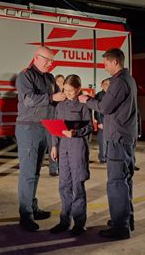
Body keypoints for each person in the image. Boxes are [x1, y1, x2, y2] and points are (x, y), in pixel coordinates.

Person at [79, 48, 138, 240]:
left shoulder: (118, 82)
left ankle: (120, 228)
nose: (104, 67)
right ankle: (126, 220)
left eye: (105, 63)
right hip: (126, 137)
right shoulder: (129, 79)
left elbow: (104, 107)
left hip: (118, 138)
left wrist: (88, 100)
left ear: (115, 62)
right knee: (125, 179)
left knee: (116, 182)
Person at [15, 46, 66, 232]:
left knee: (35, 172)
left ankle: (32, 207)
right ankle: (25, 214)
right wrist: (52, 96)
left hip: (45, 127)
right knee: (28, 173)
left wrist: (56, 135)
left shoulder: (49, 78)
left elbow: (53, 108)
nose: (50, 64)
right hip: (28, 127)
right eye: (48, 60)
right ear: (37, 57)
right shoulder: (25, 76)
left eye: (52, 61)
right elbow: (28, 99)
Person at [49, 74, 93, 236]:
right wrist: (54, 146)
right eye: (65, 90)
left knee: (77, 186)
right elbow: (56, 126)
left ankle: (79, 224)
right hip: (63, 148)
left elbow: (89, 127)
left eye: (70, 91)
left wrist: (75, 132)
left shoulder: (83, 106)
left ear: (78, 89)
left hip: (77, 147)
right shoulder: (60, 106)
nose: (67, 93)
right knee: (63, 185)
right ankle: (64, 221)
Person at [94, 78, 110, 164]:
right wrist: (99, 122)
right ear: (102, 85)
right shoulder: (100, 95)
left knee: (109, 140)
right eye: (106, 84)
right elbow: (97, 110)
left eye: (109, 84)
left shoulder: (110, 95)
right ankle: (102, 158)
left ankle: (107, 156)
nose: (108, 86)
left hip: (110, 120)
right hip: (103, 120)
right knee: (103, 140)